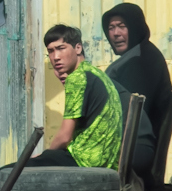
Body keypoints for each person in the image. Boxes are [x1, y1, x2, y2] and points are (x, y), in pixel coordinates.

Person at [33, 24, 122, 169]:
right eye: (50, 51)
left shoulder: (77, 78)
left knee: (6, 173)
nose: (55, 57)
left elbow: (64, 136)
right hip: (102, 160)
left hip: (85, 162)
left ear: (78, 48)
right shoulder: (94, 73)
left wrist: (45, 155)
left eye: (61, 48)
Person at [101, 2, 172, 132]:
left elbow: (131, 115)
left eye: (122, 26)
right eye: (111, 28)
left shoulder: (142, 61)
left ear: (135, 28)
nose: (116, 33)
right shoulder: (136, 55)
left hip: (132, 145)